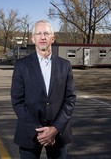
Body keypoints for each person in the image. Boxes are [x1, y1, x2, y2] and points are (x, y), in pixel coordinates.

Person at [11, 19, 76, 159]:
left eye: (46, 33)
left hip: (58, 134)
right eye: (38, 33)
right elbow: (17, 101)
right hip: (29, 134)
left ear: (53, 38)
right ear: (33, 39)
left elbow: (70, 99)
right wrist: (38, 132)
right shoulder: (22, 66)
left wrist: (55, 129)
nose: (43, 37)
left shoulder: (65, 65)